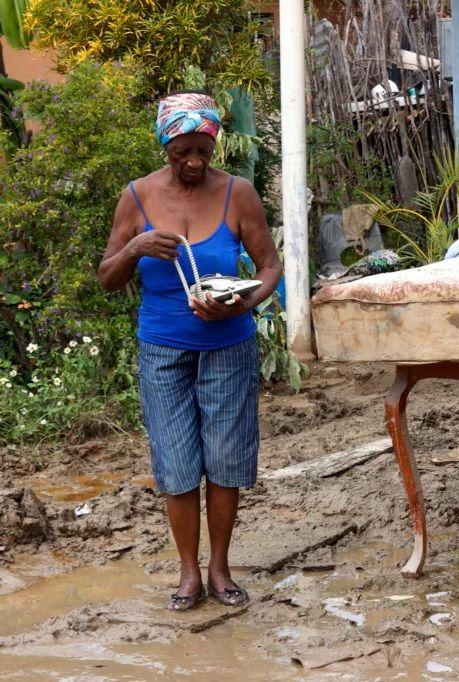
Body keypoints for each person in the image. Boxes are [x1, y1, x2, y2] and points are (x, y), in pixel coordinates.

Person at [98, 91, 282, 611]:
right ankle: (187, 574)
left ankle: (220, 569)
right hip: (162, 350)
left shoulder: (237, 193)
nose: (195, 160)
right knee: (177, 463)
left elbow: (269, 267)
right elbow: (108, 278)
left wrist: (242, 304)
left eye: (204, 148)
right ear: (166, 144)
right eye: (183, 150)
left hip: (229, 345)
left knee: (226, 460)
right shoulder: (135, 197)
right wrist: (134, 248)